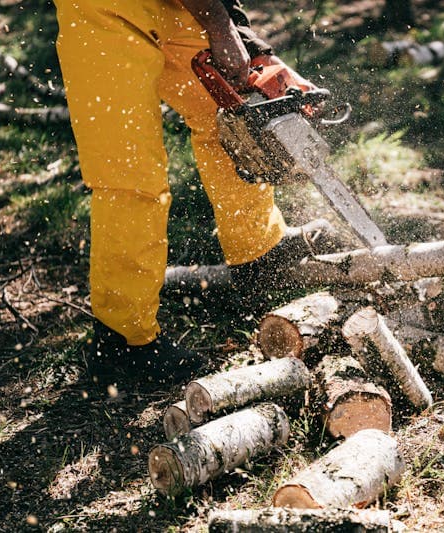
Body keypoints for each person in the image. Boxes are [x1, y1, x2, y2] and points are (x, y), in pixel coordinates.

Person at [53, 0, 314, 385]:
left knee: (228, 106)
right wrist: (222, 30)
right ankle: (124, 340)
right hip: (101, 9)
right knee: (129, 173)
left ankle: (257, 255)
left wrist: (247, 43)